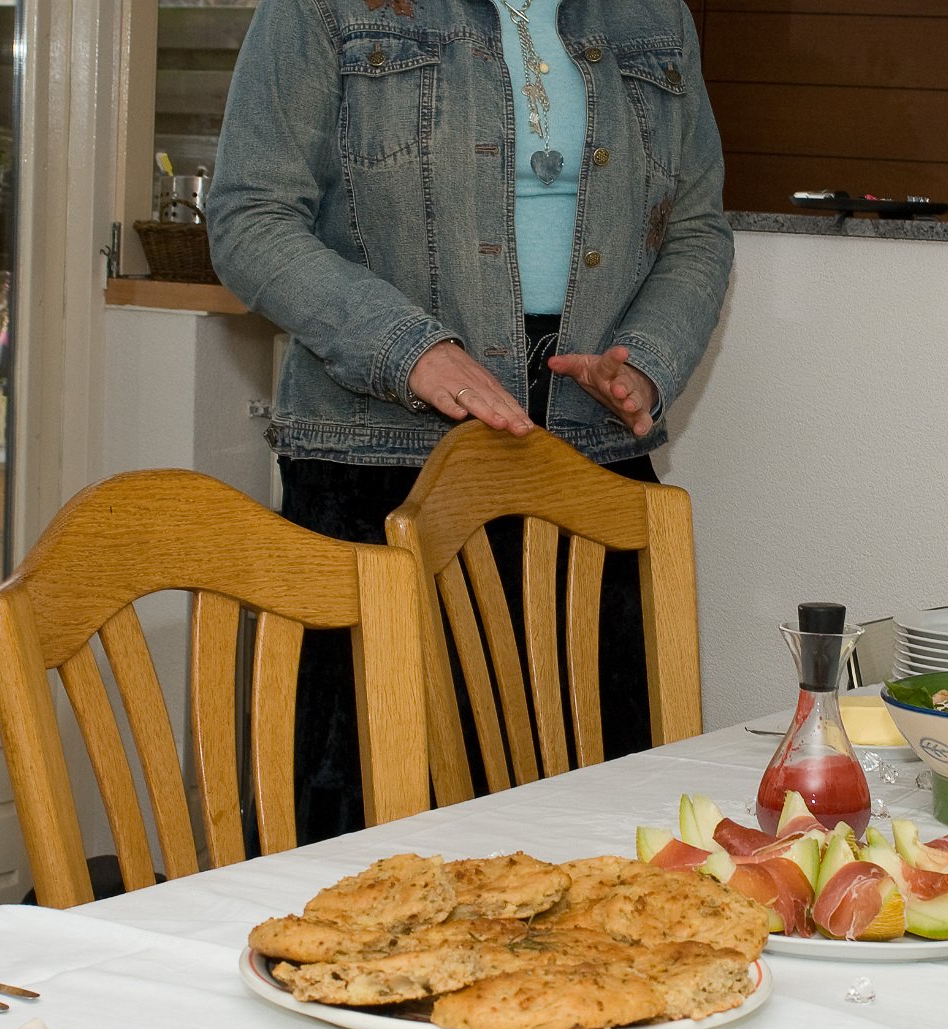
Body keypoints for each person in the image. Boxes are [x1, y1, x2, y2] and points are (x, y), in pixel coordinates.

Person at [206, 0, 733, 842]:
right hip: (377, 462)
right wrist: (409, 350)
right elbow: (249, 219)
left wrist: (643, 360)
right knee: (373, 826)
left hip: (590, 463)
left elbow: (697, 229)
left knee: (598, 828)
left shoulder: (656, 13)